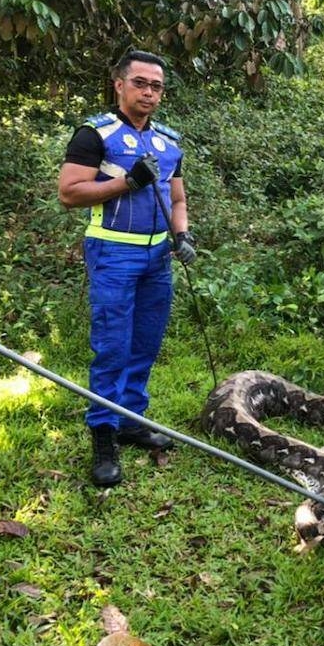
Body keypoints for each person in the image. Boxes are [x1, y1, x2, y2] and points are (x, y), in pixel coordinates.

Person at [57, 50, 196, 487]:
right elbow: (70, 192)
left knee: (145, 342)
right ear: (119, 84)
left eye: (156, 86)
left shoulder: (169, 142)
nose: (149, 92)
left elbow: (177, 199)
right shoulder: (94, 134)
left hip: (158, 258)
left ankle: (131, 419)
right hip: (113, 253)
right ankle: (103, 431)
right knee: (113, 344)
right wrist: (125, 182)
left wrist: (182, 236)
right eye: (140, 83)